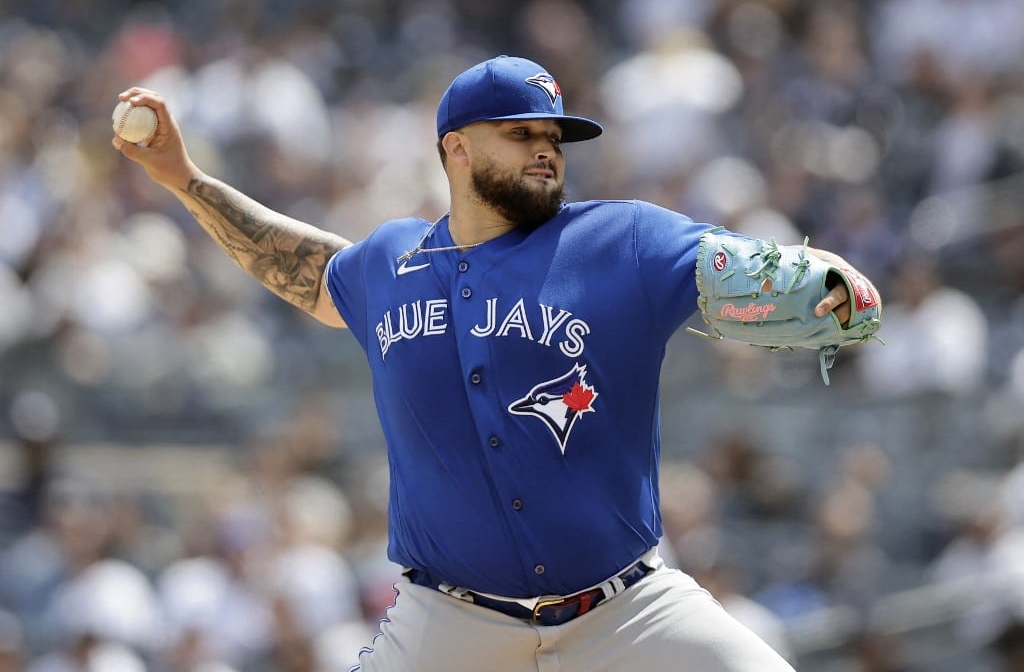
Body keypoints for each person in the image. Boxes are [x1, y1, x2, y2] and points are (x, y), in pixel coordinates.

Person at [114, 54, 877, 671]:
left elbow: (735, 267)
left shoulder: (622, 241)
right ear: (457, 147)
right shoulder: (390, 261)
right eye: (520, 133)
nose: (547, 149)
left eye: (554, 136)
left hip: (626, 613)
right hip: (448, 624)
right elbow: (304, 266)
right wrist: (185, 180)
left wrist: (823, 285)